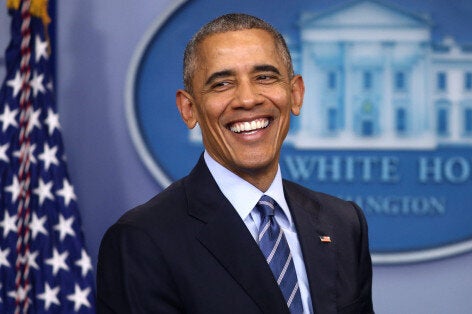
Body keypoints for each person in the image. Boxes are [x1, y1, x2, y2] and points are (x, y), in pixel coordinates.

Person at [97, 13, 373, 313]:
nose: (247, 99)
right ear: (189, 109)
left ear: (295, 94)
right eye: (222, 83)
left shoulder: (343, 223)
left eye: (264, 77)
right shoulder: (142, 240)